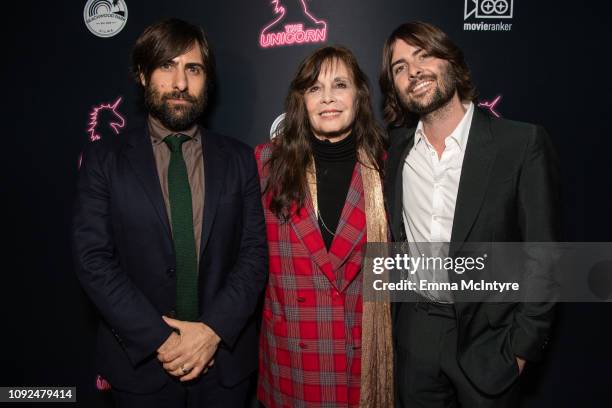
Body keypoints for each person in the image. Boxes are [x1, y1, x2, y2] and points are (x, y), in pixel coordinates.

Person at [72, 18, 267, 407]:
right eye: (167, 66)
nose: (180, 83)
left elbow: (254, 255)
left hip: (224, 368)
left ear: (206, 80)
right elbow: (93, 259)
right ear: (143, 76)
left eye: (192, 69)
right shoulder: (104, 160)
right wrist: (162, 340)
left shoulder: (241, 160)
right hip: (139, 368)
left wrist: (212, 332)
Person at [380, 21, 561, 407]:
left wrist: (521, 348)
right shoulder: (395, 153)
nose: (413, 71)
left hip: (490, 340)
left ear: (452, 61)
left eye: (423, 55)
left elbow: (543, 256)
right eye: (399, 67)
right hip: (416, 334)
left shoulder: (520, 143)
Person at [255, 46, 393, 407]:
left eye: (340, 85)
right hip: (293, 360)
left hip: (361, 358)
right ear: (301, 100)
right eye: (314, 88)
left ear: (359, 96)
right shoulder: (264, 165)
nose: (328, 98)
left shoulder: (388, 169)